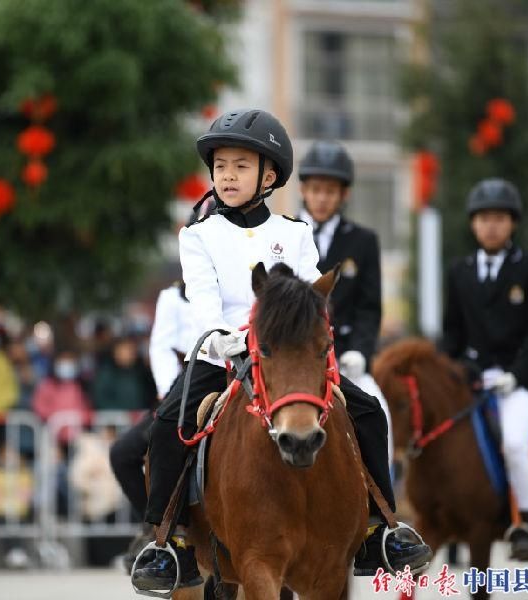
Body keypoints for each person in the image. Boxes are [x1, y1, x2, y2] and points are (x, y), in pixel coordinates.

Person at [132, 109, 431, 592]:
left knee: (369, 411)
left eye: (240, 166)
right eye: (220, 167)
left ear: (268, 175)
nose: (227, 176)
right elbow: (204, 301)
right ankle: (171, 542)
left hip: (289, 356)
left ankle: (381, 528)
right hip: (223, 355)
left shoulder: (294, 232)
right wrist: (223, 338)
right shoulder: (198, 235)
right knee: (170, 424)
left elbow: (313, 295)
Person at [441, 178, 528, 561]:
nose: (491, 225)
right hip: (474, 378)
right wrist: (450, 371)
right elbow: (452, 333)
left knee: (515, 442)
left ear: (512, 223)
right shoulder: (459, 270)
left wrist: (517, 375)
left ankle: (526, 524)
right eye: (484, 218)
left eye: (499, 218)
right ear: (473, 223)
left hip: (518, 382)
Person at [297, 141, 393, 464]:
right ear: (303, 190)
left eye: (330, 191)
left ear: (343, 194)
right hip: (297, 356)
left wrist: (360, 353)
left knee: (379, 414)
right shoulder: (285, 234)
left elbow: (369, 307)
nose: (322, 198)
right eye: (316, 189)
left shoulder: (363, 242)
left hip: (347, 356)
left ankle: (382, 508)